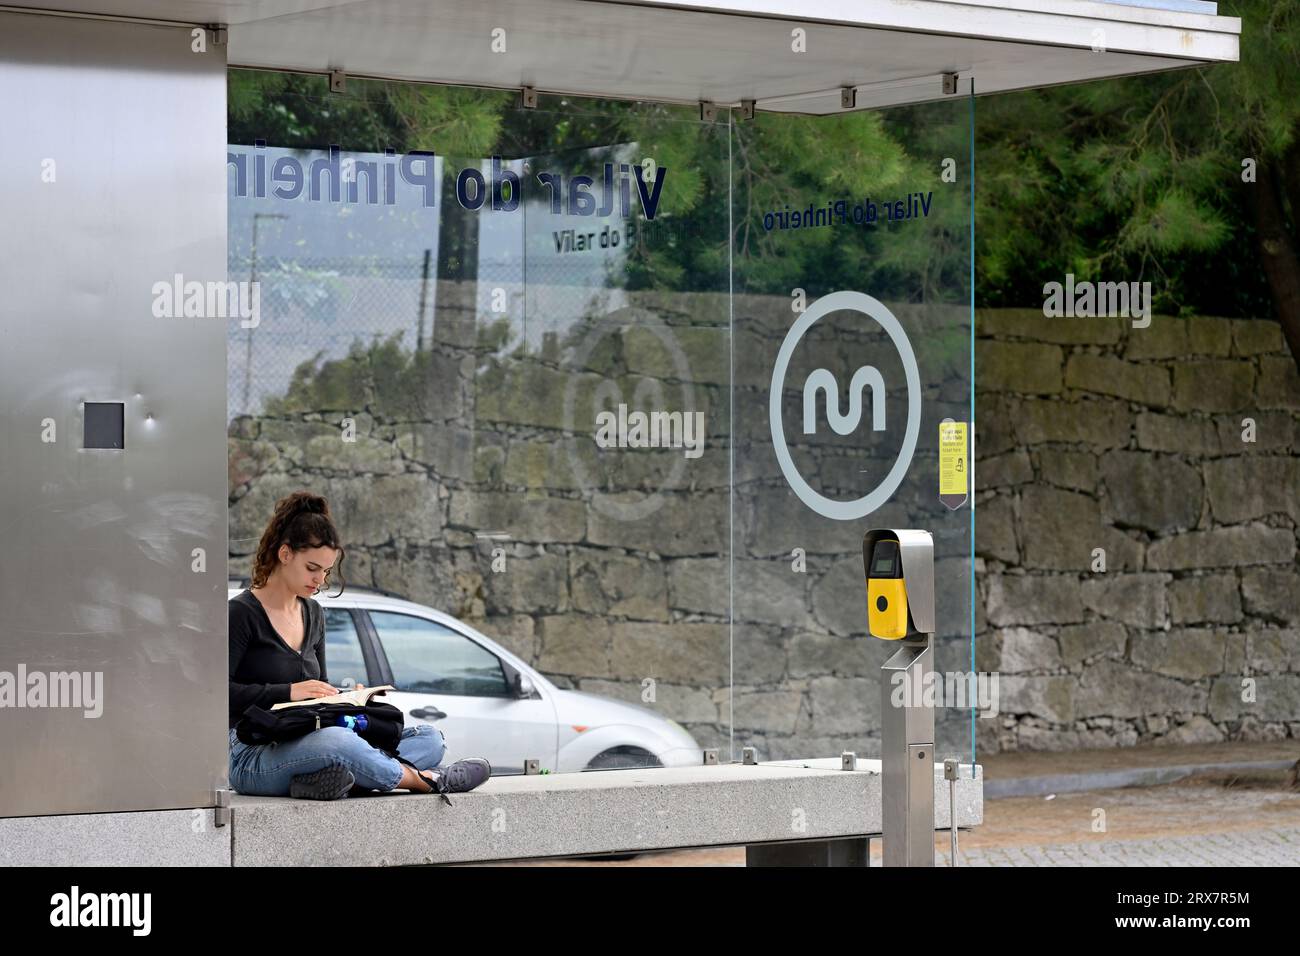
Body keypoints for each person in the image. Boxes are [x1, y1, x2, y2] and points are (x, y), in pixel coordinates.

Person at [228, 490, 491, 801]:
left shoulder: (313, 614)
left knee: (430, 739)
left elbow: (316, 694)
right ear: (285, 554)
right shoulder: (242, 613)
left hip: (305, 737)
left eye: (326, 571)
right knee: (339, 743)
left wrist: (348, 698)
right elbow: (216, 694)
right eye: (312, 568)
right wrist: (286, 691)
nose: (320, 580)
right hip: (252, 753)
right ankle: (426, 780)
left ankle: (326, 781)